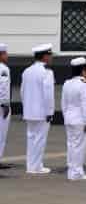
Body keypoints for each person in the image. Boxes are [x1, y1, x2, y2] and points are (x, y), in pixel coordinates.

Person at [21, 44, 55, 175]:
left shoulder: (27, 71)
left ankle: (31, 165)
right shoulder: (47, 72)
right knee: (40, 139)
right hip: (41, 111)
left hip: (29, 111)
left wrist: (26, 107)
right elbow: (48, 95)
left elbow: (23, 92)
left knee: (31, 138)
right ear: (45, 56)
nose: (51, 57)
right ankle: (36, 167)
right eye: (50, 55)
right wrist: (49, 112)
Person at [61, 57, 86, 181]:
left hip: (69, 117)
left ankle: (72, 170)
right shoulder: (84, 84)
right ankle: (77, 173)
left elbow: (64, 103)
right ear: (83, 71)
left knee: (71, 145)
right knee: (79, 146)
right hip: (80, 119)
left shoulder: (67, 83)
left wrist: (66, 116)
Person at [0, 43, 11, 169]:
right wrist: (5, 103)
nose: (7, 56)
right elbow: (3, 87)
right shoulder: (3, 69)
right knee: (1, 133)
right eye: (5, 53)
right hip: (1, 106)